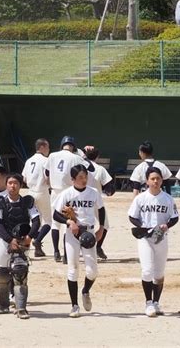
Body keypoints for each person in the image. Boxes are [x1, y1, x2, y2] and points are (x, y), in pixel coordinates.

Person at [53, 164, 105, 318]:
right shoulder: (66, 194)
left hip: (88, 233)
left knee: (92, 271)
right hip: (71, 234)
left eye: (85, 177)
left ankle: (85, 291)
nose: (84, 180)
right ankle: (74, 305)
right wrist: (69, 222)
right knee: (73, 269)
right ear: (72, 179)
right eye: (80, 177)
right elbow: (56, 215)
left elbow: (101, 210)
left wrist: (101, 227)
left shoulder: (93, 192)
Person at [128, 167, 179, 317]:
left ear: (162, 180)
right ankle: (148, 302)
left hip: (160, 235)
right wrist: (141, 227)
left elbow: (175, 217)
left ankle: (156, 302)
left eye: (158, 178)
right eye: (152, 179)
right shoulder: (141, 198)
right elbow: (132, 216)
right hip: (145, 236)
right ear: (147, 181)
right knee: (147, 270)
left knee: (159, 273)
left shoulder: (168, 198)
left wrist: (167, 225)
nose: (155, 181)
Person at [0, 173, 41, 319]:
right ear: (6, 185)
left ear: (20, 185)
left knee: (21, 273)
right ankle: (4, 304)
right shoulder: (0, 202)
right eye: (10, 183)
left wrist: (29, 237)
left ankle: (21, 308)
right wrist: (9, 239)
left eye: (16, 183)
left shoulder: (27, 202)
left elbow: (36, 221)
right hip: (3, 240)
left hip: (22, 241)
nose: (12, 186)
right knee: (2, 274)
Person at [44, 136, 94, 263]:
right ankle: (67, 255)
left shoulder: (52, 155)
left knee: (55, 223)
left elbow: (47, 174)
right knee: (70, 221)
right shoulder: (76, 157)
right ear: (73, 147)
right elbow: (91, 168)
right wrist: (84, 155)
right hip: (69, 193)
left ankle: (56, 251)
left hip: (55, 191)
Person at [22, 138, 52, 258]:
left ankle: (36, 244)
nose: (49, 150)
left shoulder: (29, 160)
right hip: (42, 191)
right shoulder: (46, 160)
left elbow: (24, 178)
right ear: (42, 147)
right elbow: (47, 178)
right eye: (48, 147)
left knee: (35, 221)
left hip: (30, 192)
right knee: (49, 221)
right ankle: (38, 240)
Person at [84, 147, 115, 260]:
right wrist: (109, 192)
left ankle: (73, 251)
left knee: (81, 224)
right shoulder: (100, 169)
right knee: (104, 224)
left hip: (81, 199)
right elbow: (109, 186)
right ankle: (98, 247)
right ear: (97, 157)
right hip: (96, 200)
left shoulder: (82, 167)